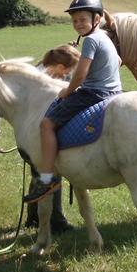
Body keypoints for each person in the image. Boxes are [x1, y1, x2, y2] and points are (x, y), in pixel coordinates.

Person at [22, 0, 122, 203]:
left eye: (82, 20)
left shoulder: (91, 40)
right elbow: (119, 60)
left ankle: (48, 179)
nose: (78, 24)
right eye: (74, 21)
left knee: (47, 124)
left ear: (97, 19)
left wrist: (67, 91)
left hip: (93, 93)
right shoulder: (105, 37)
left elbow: (80, 75)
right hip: (114, 92)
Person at [22, 44, 82, 232]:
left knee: (39, 175)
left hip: (36, 130)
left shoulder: (45, 70)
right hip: (36, 131)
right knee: (50, 175)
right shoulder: (40, 79)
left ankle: (33, 218)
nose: (68, 75)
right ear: (58, 66)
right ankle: (56, 222)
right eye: (68, 70)